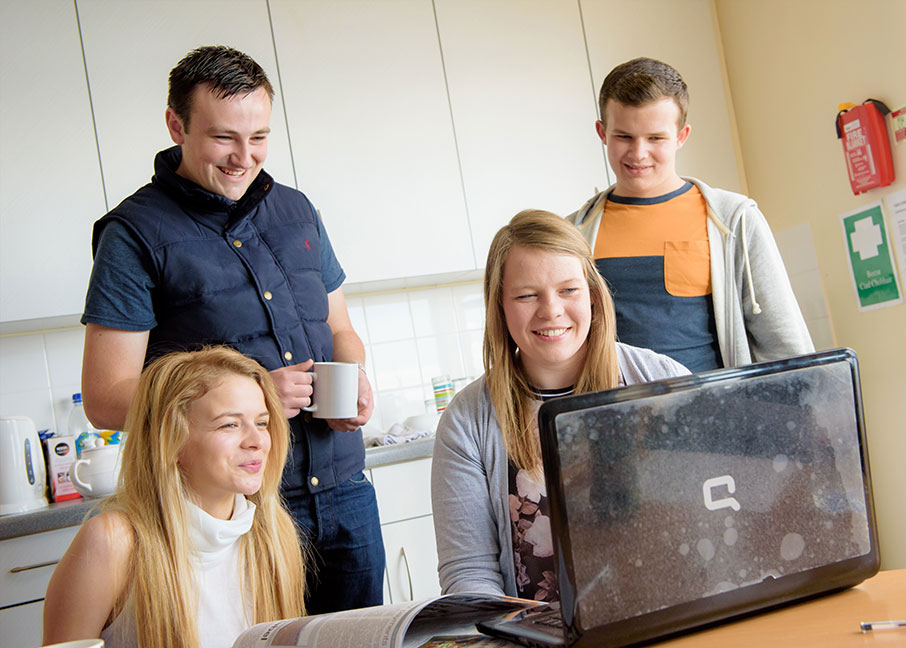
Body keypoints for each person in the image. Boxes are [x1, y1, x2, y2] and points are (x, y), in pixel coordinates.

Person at [79, 45, 383, 613]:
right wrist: (255, 394)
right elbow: (106, 398)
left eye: (259, 137)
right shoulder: (133, 234)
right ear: (177, 126)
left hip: (346, 494)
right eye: (224, 138)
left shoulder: (297, 211)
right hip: (236, 513)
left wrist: (355, 374)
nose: (245, 158)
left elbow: (340, 327)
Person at [431, 210, 689, 600]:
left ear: (593, 295)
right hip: (533, 631)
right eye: (527, 295)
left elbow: (703, 517)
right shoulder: (467, 422)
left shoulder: (662, 380)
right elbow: (469, 573)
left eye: (568, 290)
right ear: (500, 305)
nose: (551, 310)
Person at [43, 347, 305, 648]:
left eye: (261, 423)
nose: (257, 441)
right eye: (229, 424)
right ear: (172, 441)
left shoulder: (274, 533)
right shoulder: (113, 541)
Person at [569, 57, 813, 373]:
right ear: (602, 133)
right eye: (624, 137)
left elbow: (784, 343)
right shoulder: (572, 234)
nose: (638, 153)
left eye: (656, 138)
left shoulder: (734, 220)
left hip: (716, 403)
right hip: (615, 404)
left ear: (681, 136)